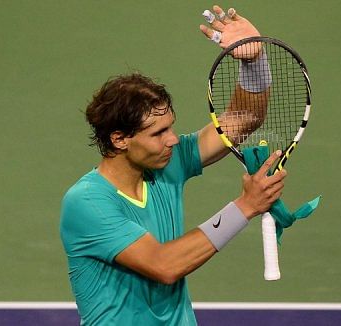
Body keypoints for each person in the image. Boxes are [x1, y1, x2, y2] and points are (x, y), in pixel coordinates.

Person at [59, 5, 287, 325]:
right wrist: (246, 206)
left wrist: (254, 62)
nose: (174, 140)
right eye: (158, 133)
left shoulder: (166, 164)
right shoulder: (87, 202)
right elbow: (163, 265)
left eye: (170, 127)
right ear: (120, 139)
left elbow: (242, 119)